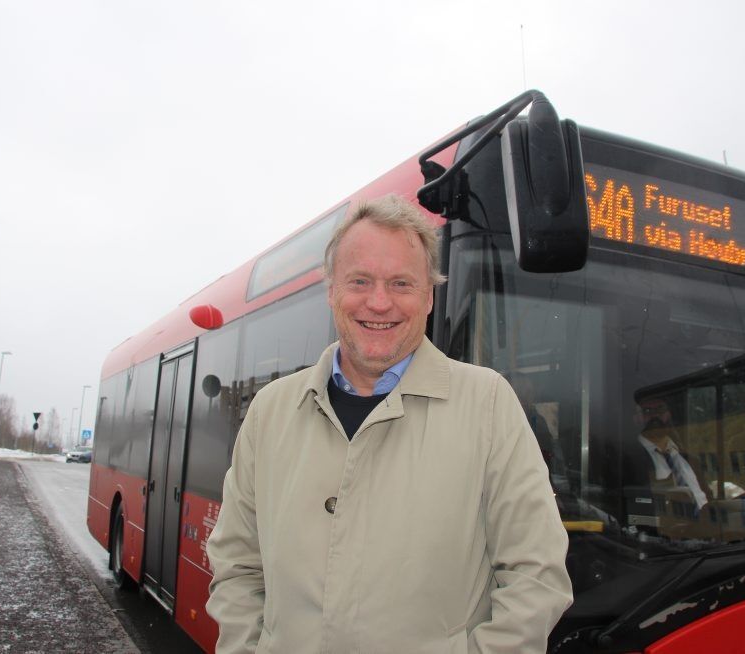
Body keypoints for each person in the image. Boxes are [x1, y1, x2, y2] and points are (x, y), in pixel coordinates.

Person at [206, 194, 572, 653]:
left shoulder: (489, 404)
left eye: (401, 283)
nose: (379, 303)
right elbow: (237, 567)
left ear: (429, 297)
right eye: (360, 281)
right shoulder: (269, 410)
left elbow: (536, 577)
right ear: (331, 291)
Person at [625, 396, 711, 511]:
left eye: (660, 409)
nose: (655, 415)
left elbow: (708, 499)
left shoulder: (690, 459)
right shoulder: (630, 460)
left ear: (669, 414)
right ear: (637, 419)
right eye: (647, 411)